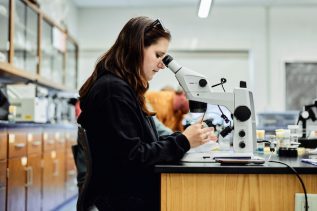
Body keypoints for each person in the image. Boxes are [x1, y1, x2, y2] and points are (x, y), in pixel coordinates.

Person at [77, 16, 217, 211]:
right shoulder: (113, 91)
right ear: (136, 47)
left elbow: (146, 143)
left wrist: (188, 137)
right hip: (123, 200)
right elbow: (134, 157)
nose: (162, 64)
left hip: (127, 193)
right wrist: (183, 141)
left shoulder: (124, 89)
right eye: (158, 55)